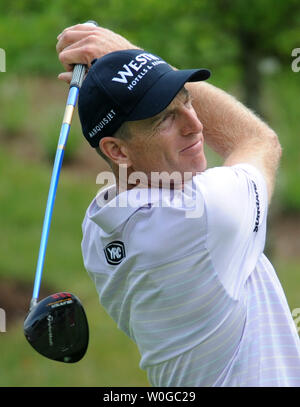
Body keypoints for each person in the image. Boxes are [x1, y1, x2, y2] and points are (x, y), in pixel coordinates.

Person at [56, 24, 300, 387]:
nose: (195, 123)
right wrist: (132, 50)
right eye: (165, 119)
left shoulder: (96, 231)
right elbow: (258, 140)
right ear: (117, 151)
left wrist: (139, 70)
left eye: (186, 99)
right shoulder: (202, 216)